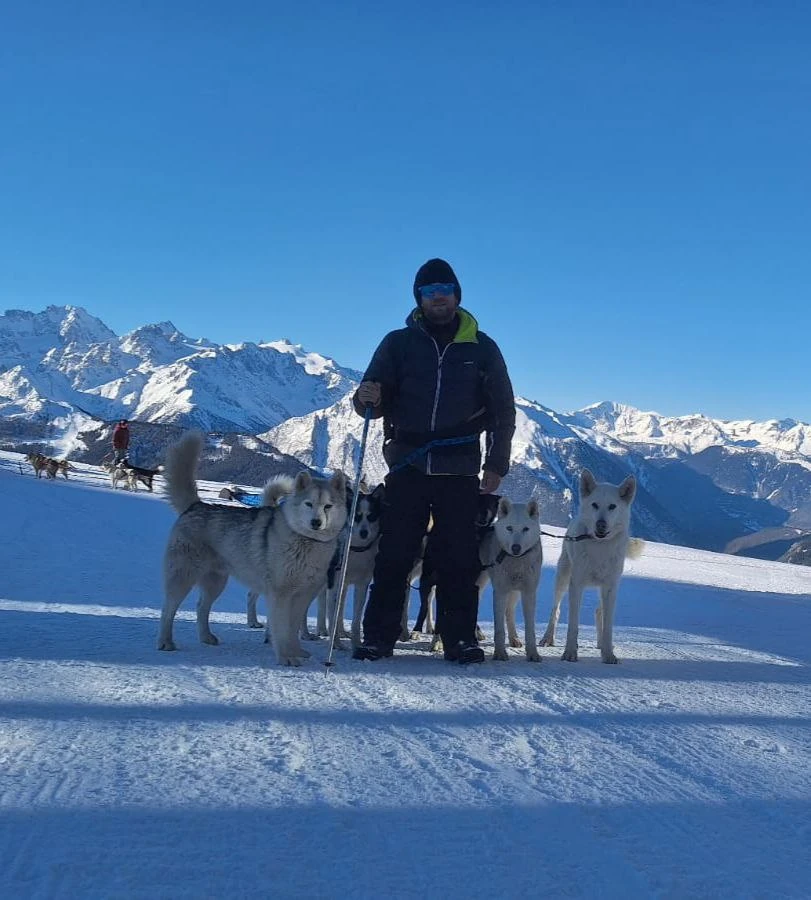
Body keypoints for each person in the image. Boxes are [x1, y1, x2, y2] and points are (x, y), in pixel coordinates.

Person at [351, 258, 516, 664]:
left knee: (459, 555)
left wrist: (496, 464)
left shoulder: (482, 348)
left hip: (460, 467)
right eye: (429, 291)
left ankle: (458, 638)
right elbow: (373, 396)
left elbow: (502, 410)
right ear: (419, 299)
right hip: (408, 463)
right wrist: (365, 398)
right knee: (396, 552)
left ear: (457, 295)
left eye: (445, 289)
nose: (438, 297)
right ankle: (380, 636)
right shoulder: (397, 344)